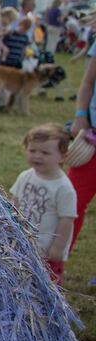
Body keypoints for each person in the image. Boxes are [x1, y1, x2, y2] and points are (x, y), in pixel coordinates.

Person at [11, 123, 77, 285]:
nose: (37, 156)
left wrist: (57, 248)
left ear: (63, 157)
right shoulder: (25, 176)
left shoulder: (64, 188)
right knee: (21, 281)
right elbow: (15, 203)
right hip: (23, 243)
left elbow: (66, 221)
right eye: (32, 150)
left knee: (46, 285)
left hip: (47, 252)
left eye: (45, 152)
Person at [67, 34, 96, 258]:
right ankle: (56, 262)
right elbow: (87, 82)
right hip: (92, 139)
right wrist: (80, 115)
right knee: (72, 201)